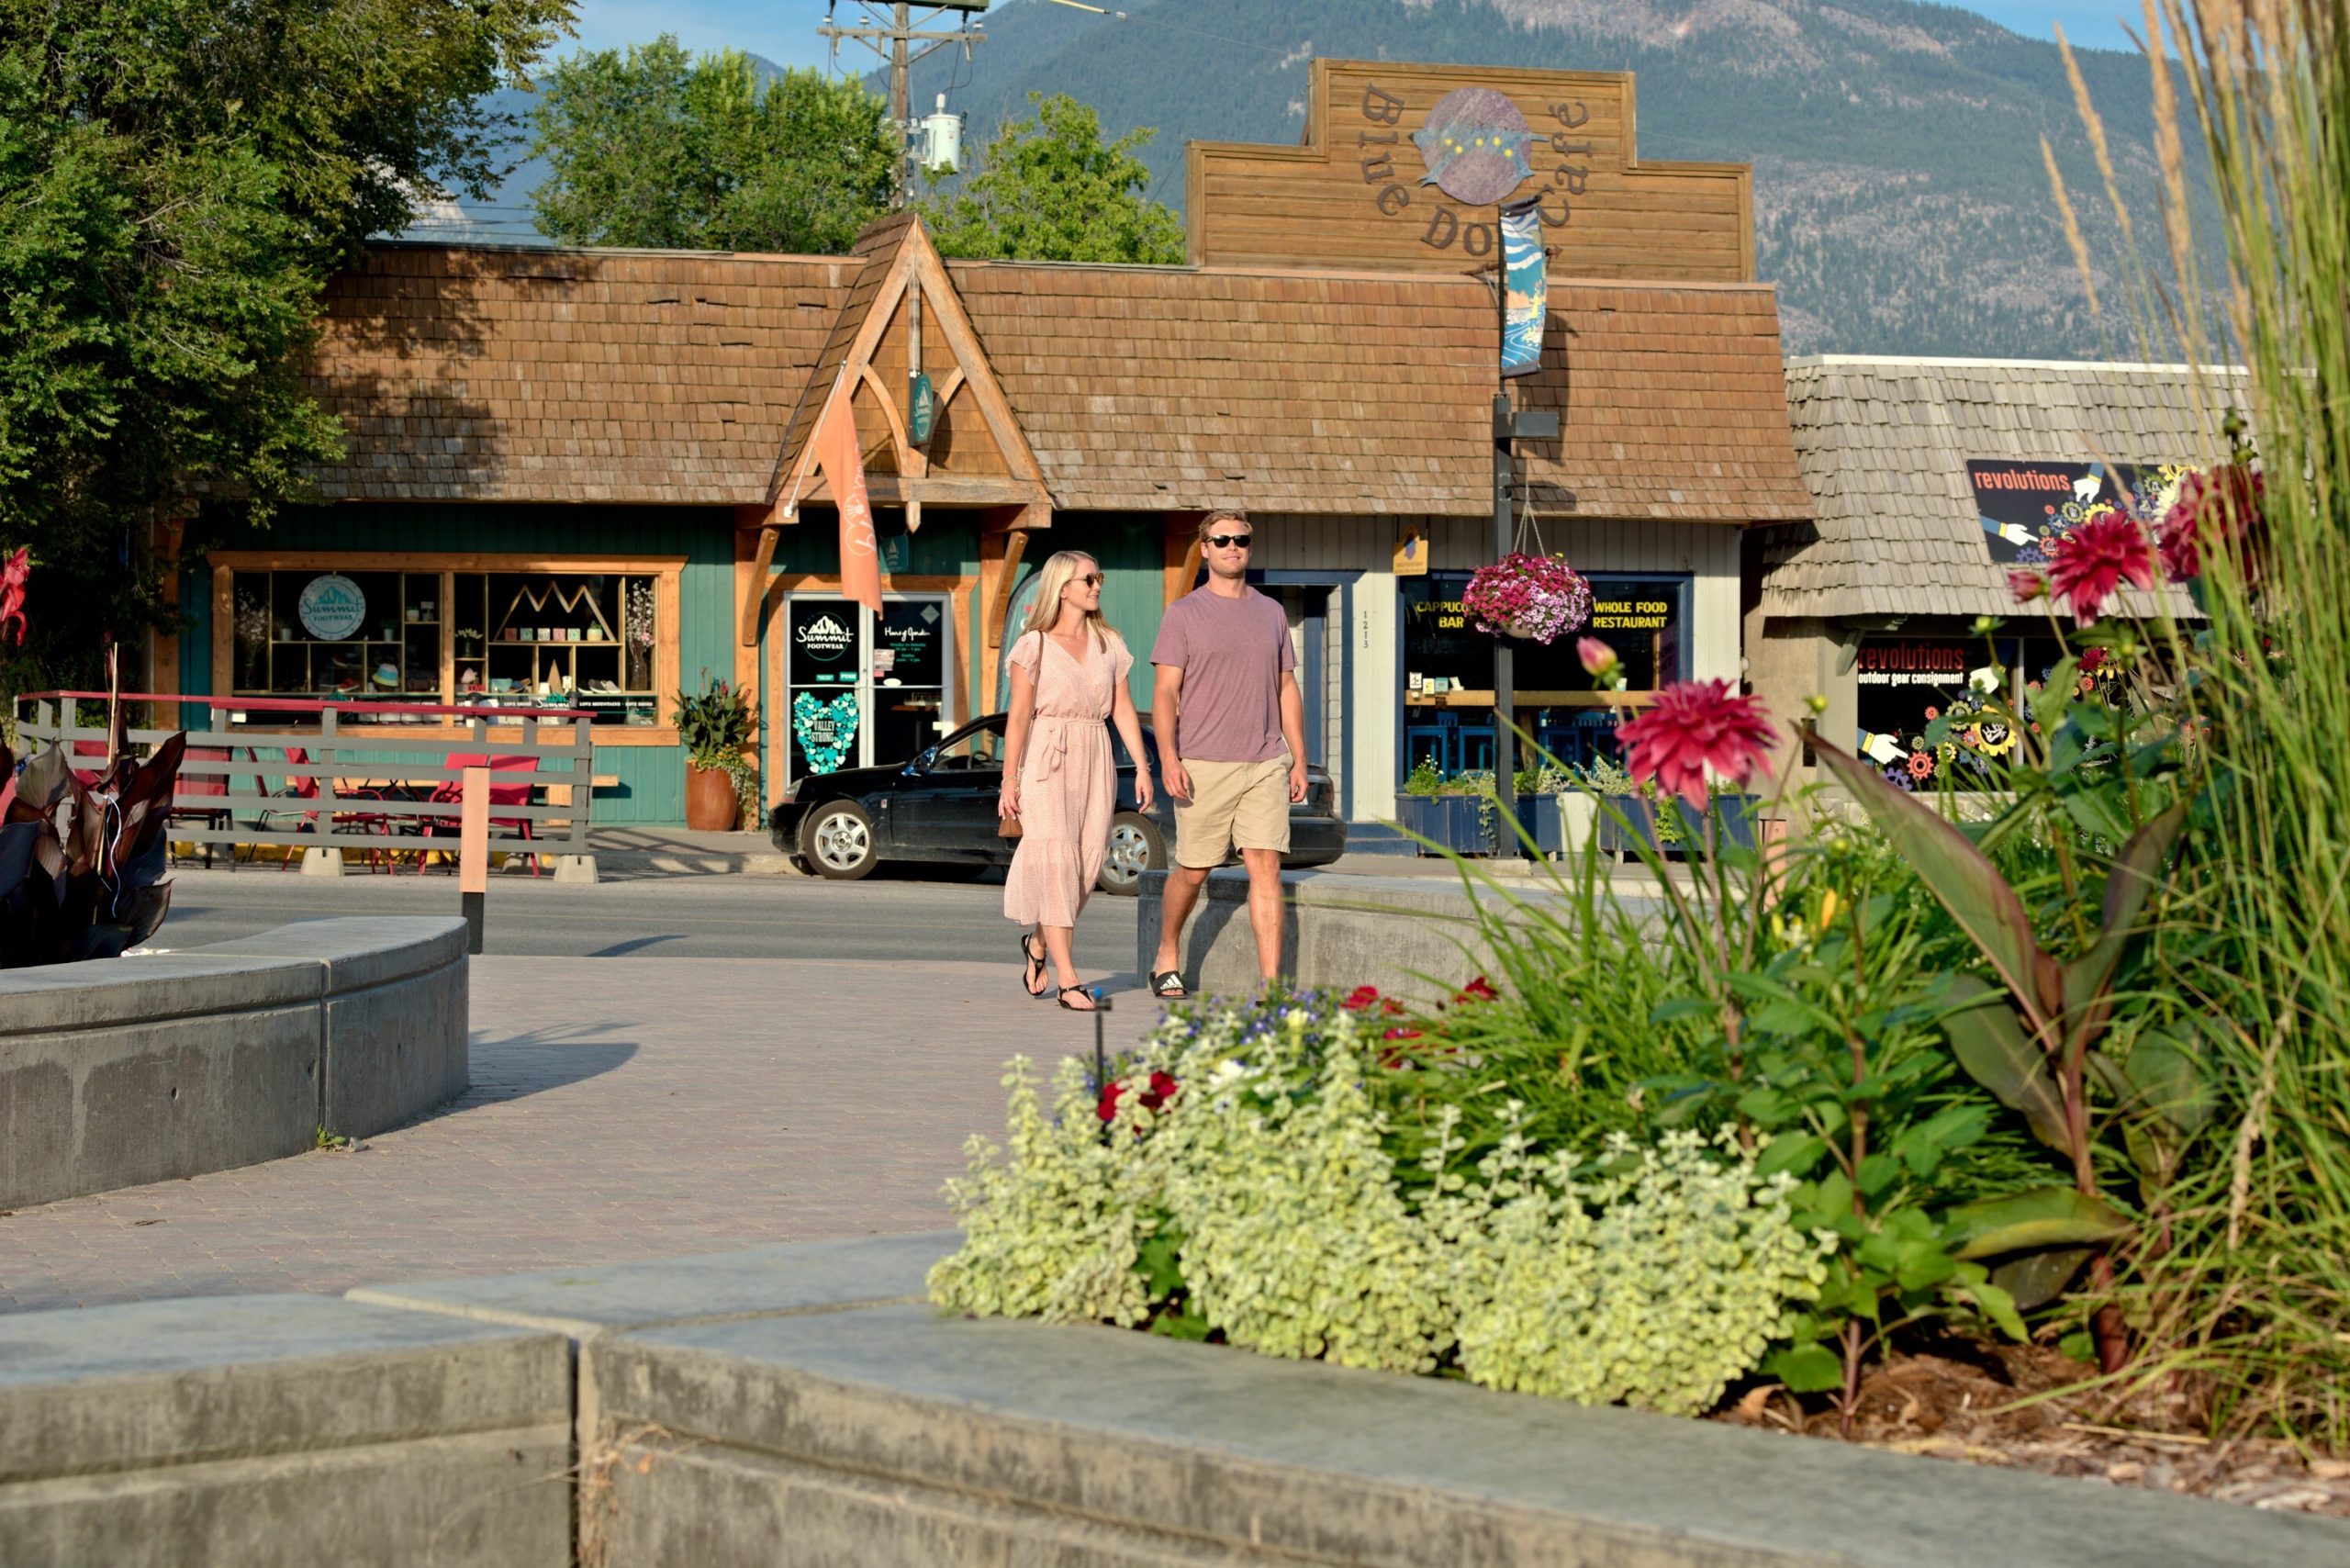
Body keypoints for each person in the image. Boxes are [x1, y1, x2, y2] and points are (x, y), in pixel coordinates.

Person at [1147, 510, 1308, 998]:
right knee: (1194, 870)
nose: (1232, 547)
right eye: (1222, 540)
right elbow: (1163, 693)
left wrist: (1298, 757)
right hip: (1202, 763)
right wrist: (1169, 758)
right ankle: (1168, 949)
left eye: (1241, 540)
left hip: (1264, 760)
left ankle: (1271, 984)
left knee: (1266, 866)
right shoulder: (1183, 614)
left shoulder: (1271, 612)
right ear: (1206, 549)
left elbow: (1286, 688)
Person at [999, 550, 1152, 1012]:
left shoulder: (1109, 642)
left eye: (1098, 577)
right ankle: (1068, 979)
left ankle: (1039, 945)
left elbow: (1123, 709)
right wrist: (1010, 780)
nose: (1097, 585)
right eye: (1088, 578)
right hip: (1047, 756)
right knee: (1056, 864)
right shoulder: (1034, 645)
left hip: (1094, 752)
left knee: (1086, 868)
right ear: (1062, 587)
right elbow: (1020, 715)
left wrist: (1142, 767)